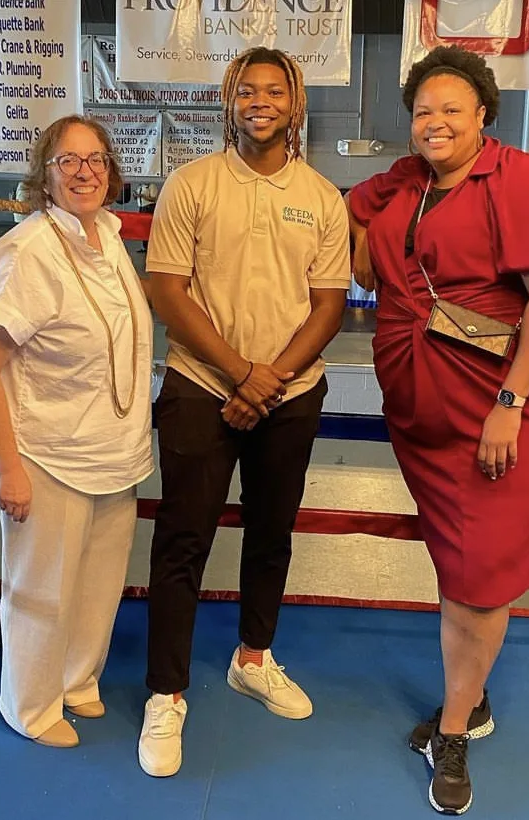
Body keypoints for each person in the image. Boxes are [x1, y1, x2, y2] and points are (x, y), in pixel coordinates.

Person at [347, 46, 529, 814]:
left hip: (507, 405)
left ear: (483, 113)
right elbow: (363, 269)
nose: (436, 122)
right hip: (426, 410)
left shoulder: (518, 180)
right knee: (458, 560)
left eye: (452, 108)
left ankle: (453, 728)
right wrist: (367, 201)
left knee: (479, 568)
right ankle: (474, 696)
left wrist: (510, 403)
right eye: (423, 111)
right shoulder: (406, 188)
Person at [138, 47, 350, 777]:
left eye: (275, 91)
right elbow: (167, 290)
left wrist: (272, 379)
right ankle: (165, 692)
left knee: (271, 534)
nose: (261, 101)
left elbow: (329, 306)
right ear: (229, 101)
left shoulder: (322, 197)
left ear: (295, 106)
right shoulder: (191, 184)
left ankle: (253, 657)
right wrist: (240, 374)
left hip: (290, 392)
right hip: (202, 383)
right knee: (182, 538)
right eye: (247, 90)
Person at [0, 115, 153, 748]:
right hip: (45, 451)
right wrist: (10, 469)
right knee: (41, 589)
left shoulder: (107, 236)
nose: (84, 172)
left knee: (98, 583)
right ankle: (32, 706)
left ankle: (76, 681)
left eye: (95, 159)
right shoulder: (30, 250)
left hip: (110, 449)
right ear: (44, 173)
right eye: (68, 161)